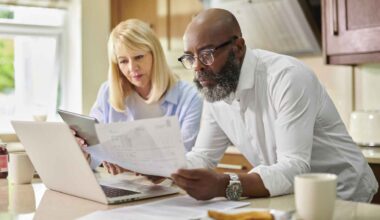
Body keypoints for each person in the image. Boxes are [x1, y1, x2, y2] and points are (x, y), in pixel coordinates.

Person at [171, 8, 378, 202]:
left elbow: (294, 167)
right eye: (190, 57)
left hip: (346, 193)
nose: (197, 66)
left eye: (207, 54)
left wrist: (223, 184)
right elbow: (203, 156)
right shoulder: (216, 89)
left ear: (238, 47)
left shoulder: (286, 77)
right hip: (291, 196)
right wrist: (165, 169)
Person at [78, 19, 202, 173]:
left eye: (138, 57)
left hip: (172, 189)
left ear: (154, 54)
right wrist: (83, 151)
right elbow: (95, 151)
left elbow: (185, 159)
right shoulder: (107, 93)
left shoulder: (189, 98)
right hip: (122, 185)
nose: (132, 68)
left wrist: (133, 164)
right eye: (123, 61)